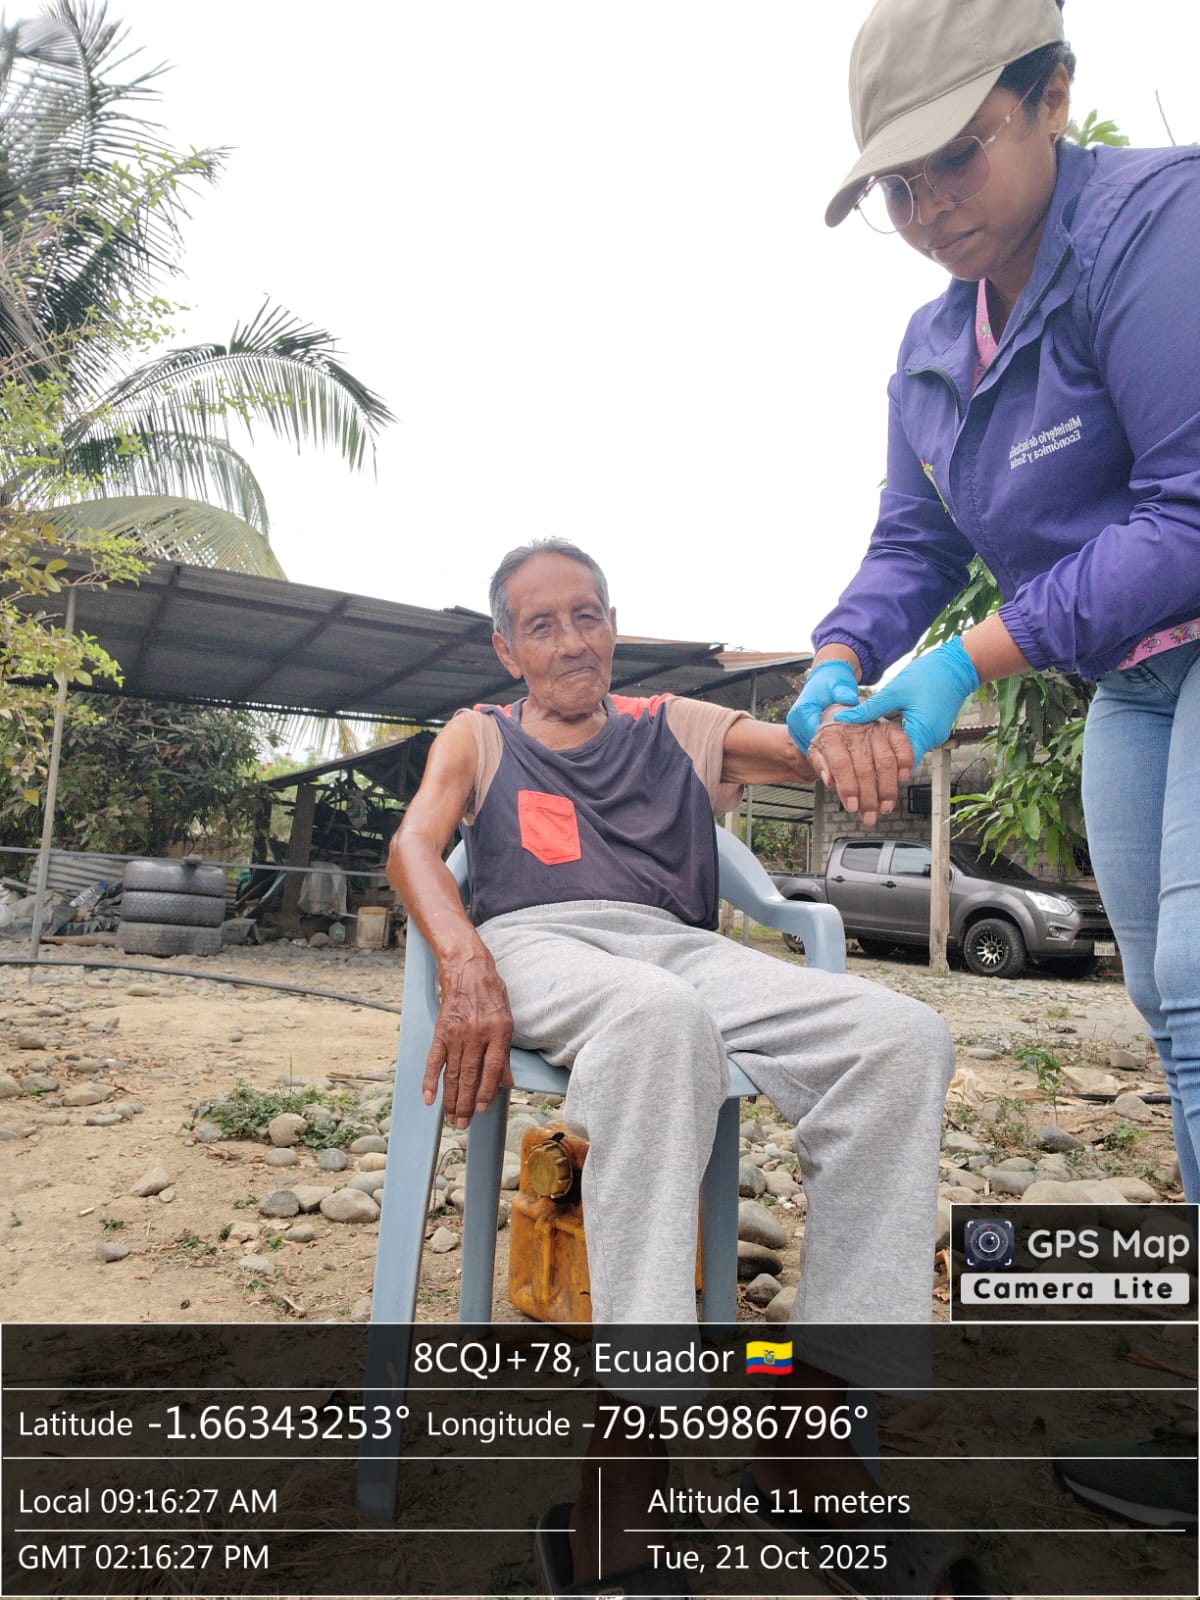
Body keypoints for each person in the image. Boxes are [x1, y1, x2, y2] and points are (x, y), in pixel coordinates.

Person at [787, 0, 1200, 1534]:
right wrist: (842, 657)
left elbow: (1191, 510)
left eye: (955, 158)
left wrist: (971, 658)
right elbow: (913, 540)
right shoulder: (928, 348)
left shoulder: (1158, 226)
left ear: (1052, 99)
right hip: (1133, 685)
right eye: (896, 186)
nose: (929, 207)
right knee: (1172, 1019)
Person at [389, 538, 975, 1594]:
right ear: (508, 649)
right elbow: (413, 848)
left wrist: (861, 716)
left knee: (901, 1040)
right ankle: (628, 1463)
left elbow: (804, 752)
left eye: (589, 615)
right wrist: (465, 959)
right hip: (540, 941)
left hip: (680, 948)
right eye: (542, 625)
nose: (572, 640)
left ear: (614, 626)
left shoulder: (676, 726)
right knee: (659, 1020)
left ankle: (807, 1428)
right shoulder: (478, 734)